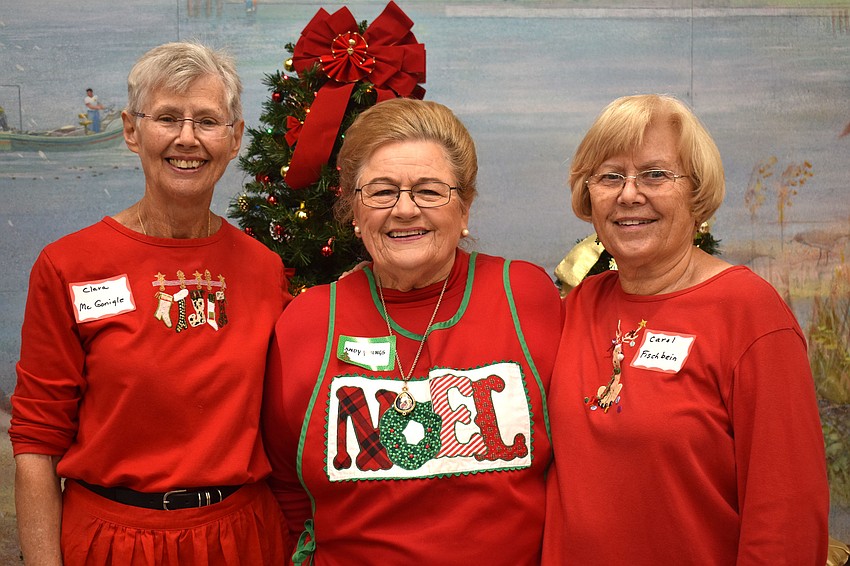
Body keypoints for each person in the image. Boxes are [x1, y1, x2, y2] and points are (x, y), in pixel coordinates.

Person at [10, 42, 291, 565]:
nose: (187, 138)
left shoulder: (263, 269)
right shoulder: (69, 266)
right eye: (166, 118)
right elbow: (37, 439)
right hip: (112, 542)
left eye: (207, 121)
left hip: (242, 539)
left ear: (234, 138)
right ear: (131, 130)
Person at [263, 97, 563, 564]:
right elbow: (285, 484)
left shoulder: (525, 297)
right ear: (354, 211)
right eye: (382, 192)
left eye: (428, 190)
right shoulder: (308, 322)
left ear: (464, 209)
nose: (405, 209)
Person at [542, 94, 830, 564]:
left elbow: (787, 518)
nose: (629, 194)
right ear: (588, 195)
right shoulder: (577, 307)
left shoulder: (749, 314)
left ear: (696, 193)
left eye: (655, 174)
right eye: (610, 176)